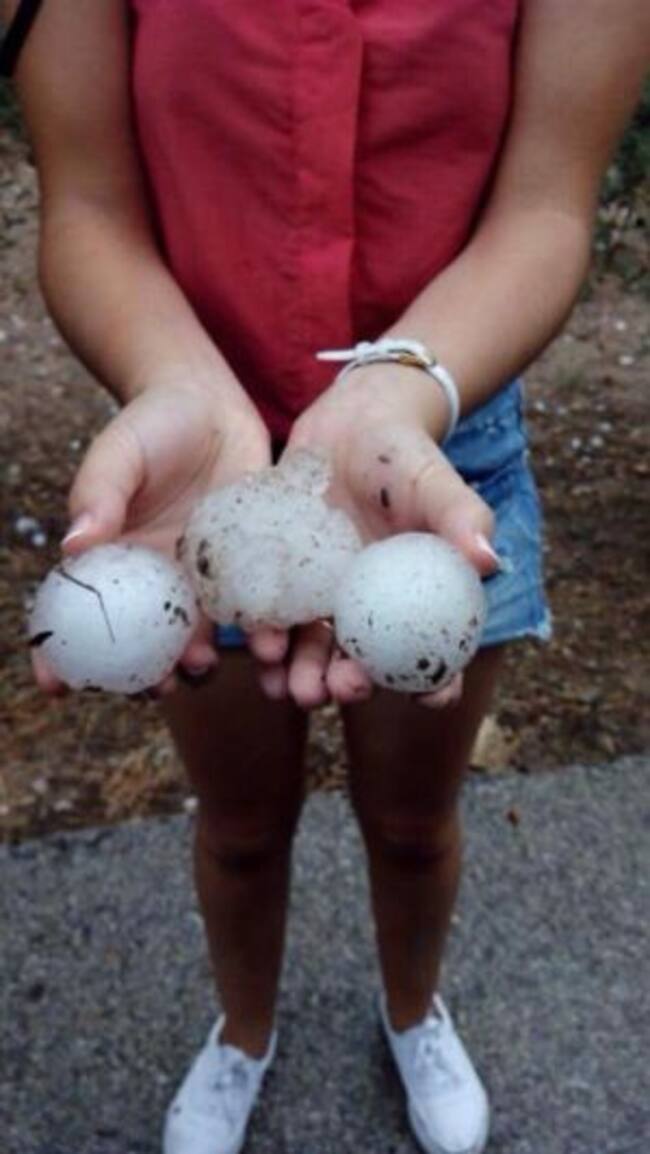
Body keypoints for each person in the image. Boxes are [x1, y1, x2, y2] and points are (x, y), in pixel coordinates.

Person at [3, 2, 647, 1152]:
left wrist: (392, 389)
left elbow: (547, 209)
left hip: (437, 447)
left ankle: (412, 1011)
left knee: (411, 821)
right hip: (198, 468)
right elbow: (89, 202)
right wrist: (181, 384)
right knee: (241, 827)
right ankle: (242, 1032)